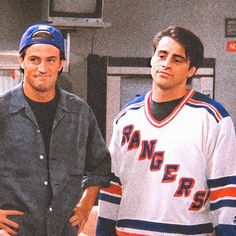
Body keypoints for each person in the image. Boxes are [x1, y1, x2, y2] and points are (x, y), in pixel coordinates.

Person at [96, 25, 236, 235]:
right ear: (152, 59)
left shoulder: (213, 117)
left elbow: (225, 192)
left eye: (177, 59)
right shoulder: (126, 117)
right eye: (161, 55)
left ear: (191, 70)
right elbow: (112, 188)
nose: (166, 64)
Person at [0, 23, 111, 236]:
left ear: (61, 64)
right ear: (21, 61)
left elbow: (99, 165)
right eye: (34, 59)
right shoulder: (2, 111)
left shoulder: (79, 113)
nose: (42, 68)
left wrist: (86, 205)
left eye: (51, 60)